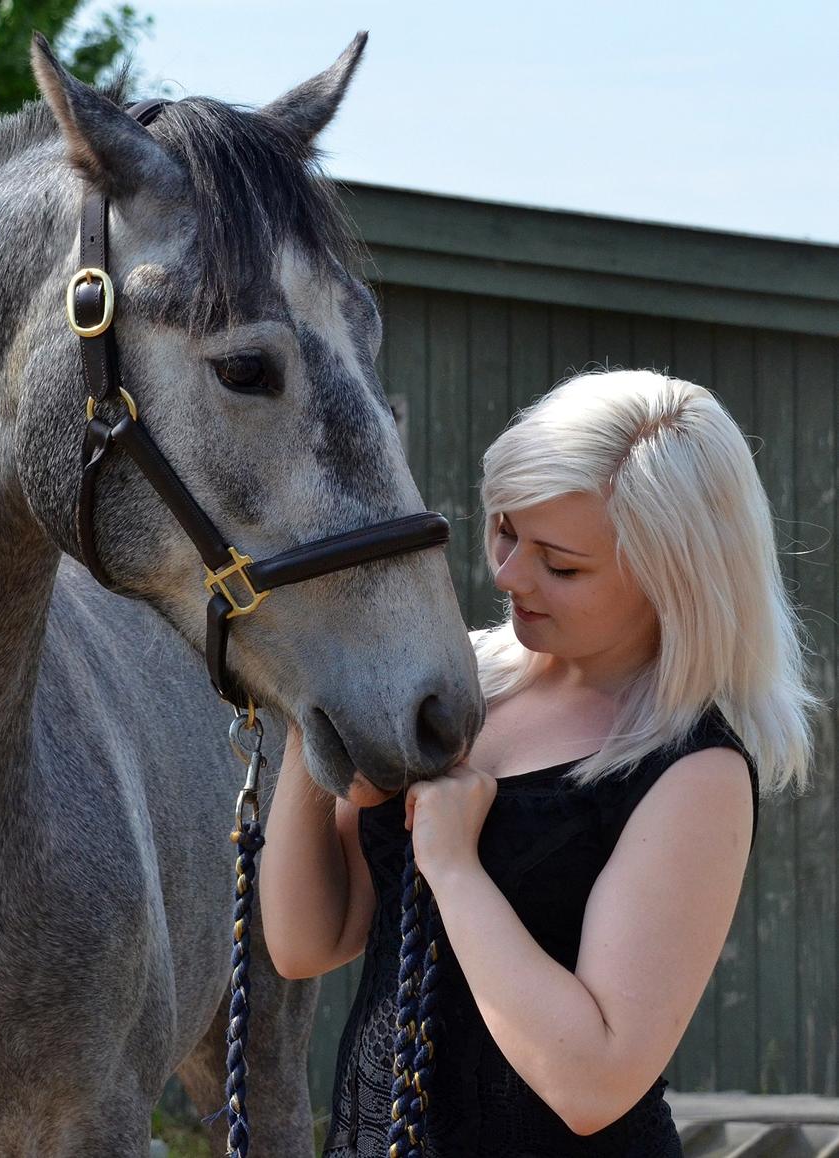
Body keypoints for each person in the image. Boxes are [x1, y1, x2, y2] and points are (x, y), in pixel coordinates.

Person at [259, 368, 816, 1157]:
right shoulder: (460, 684)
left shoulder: (694, 774)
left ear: (673, 583)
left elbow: (593, 1083)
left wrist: (455, 869)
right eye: (505, 531)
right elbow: (307, 942)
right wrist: (306, 718)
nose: (510, 575)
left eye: (561, 564)